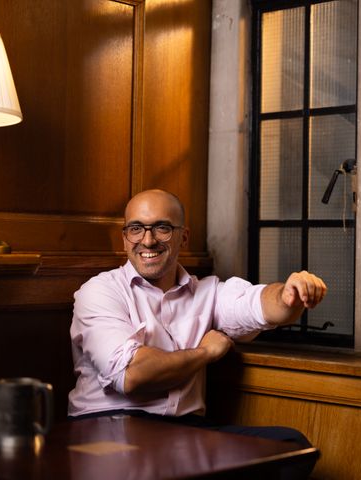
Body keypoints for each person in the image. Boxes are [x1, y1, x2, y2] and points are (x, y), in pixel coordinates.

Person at [68, 189, 326, 478]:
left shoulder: (209, 292)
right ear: (125, 237)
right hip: (107, 429)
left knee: (288, 447)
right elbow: (132, 375)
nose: (148, 240)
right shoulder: (100, 292)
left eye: (162, 228)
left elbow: (263, 306)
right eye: (136, 229)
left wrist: (289, 294)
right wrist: (205, 353)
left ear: (184, 237)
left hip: (181, 430)